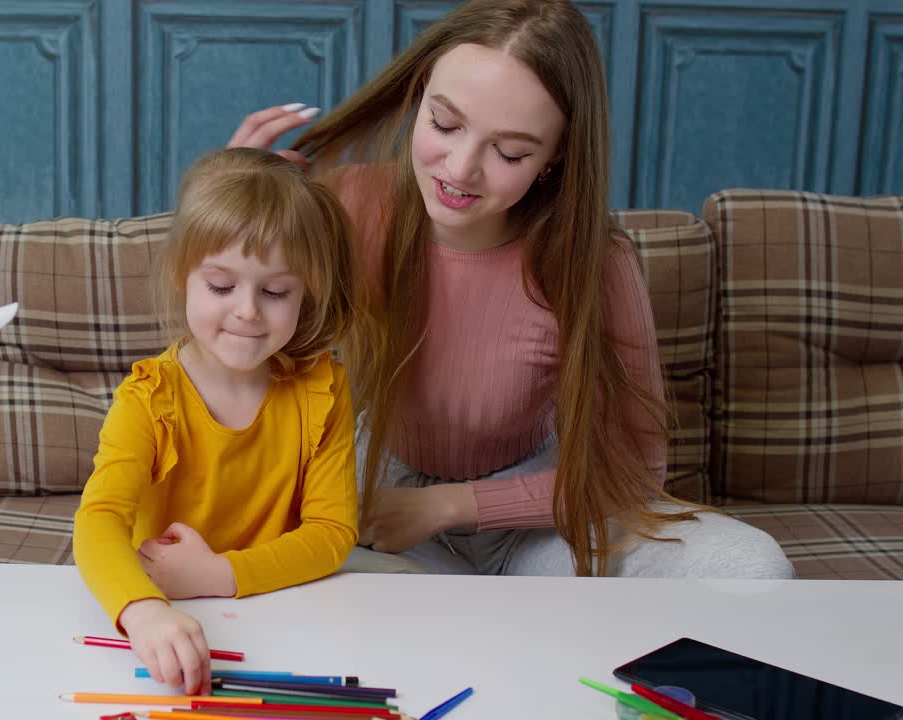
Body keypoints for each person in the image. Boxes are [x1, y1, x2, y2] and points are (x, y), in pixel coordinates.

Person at [227, 0, 793, 579]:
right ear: (420, 96)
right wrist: (242, 204)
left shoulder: (596, 260)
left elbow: (633, 468)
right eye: (445, 124)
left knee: (753, 566)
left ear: (555, 157)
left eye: (510, 152)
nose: (461, 167)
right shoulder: (349, 204)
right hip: (380, 499)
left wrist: (451, 506)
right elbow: (228, 347)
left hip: (536, 515)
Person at [73, 147, 361, 696]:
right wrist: (144, 612)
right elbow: (98, 521)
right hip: (173, 622)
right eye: (222, 287)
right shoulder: (149, 399)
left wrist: (218, 575)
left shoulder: (322, 389)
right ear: (184, 278)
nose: (248, 311)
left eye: (276, 291)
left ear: (307, 293)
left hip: (284, 613)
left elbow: (332, 534)